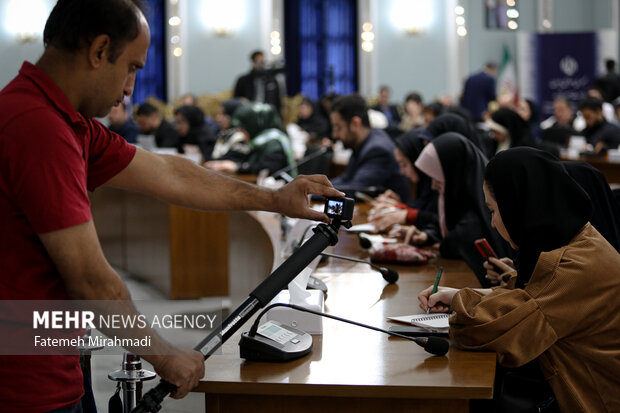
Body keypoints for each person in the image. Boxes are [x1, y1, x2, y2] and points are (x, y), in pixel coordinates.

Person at [0, 1, 343, 411]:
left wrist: (272, 199)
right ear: (99, 50)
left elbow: (169, 173)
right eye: (131, 68)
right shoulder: (37, 127)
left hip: (51, 361)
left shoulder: (65, 122)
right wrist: (164, 356)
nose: (129, 89)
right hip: (24, 383)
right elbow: (91, 279)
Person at [418, 147, 620, 412]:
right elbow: (532, 299)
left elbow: (486, 331)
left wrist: (460, 301)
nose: (492, 222)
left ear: (519, 206)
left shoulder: (572, 267)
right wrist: (458, 295)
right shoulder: (581, 239)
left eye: (493, 210)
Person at [408, 133, 512, 286]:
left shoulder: (475, 222)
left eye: (437, 178)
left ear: (452, 173)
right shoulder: (463, 199)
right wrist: (429, 234)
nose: (433, 185)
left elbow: (453, 241)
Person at [329, 94, 410, 201]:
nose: (334, 135)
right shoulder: (363, 142)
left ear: (355, 123)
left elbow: (356, 191)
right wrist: (317, 186)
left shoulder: (378, 150)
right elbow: (345, 178)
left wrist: (311, 192)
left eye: (338, 127)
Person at [369, 129, 437, 234]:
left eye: (404, 164)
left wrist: (406, 214)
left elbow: (437, 219)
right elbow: (421, 208)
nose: (402, 172)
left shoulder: (438, 184)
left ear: (417, 160)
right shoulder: (422, 186)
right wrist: (398, 206)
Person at [205, 102, 295, 175]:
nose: (241, 133)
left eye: (243, 129)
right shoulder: (257, 142)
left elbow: (267, 169)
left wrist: (237, 167)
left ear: (253, 127)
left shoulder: (274, 143)